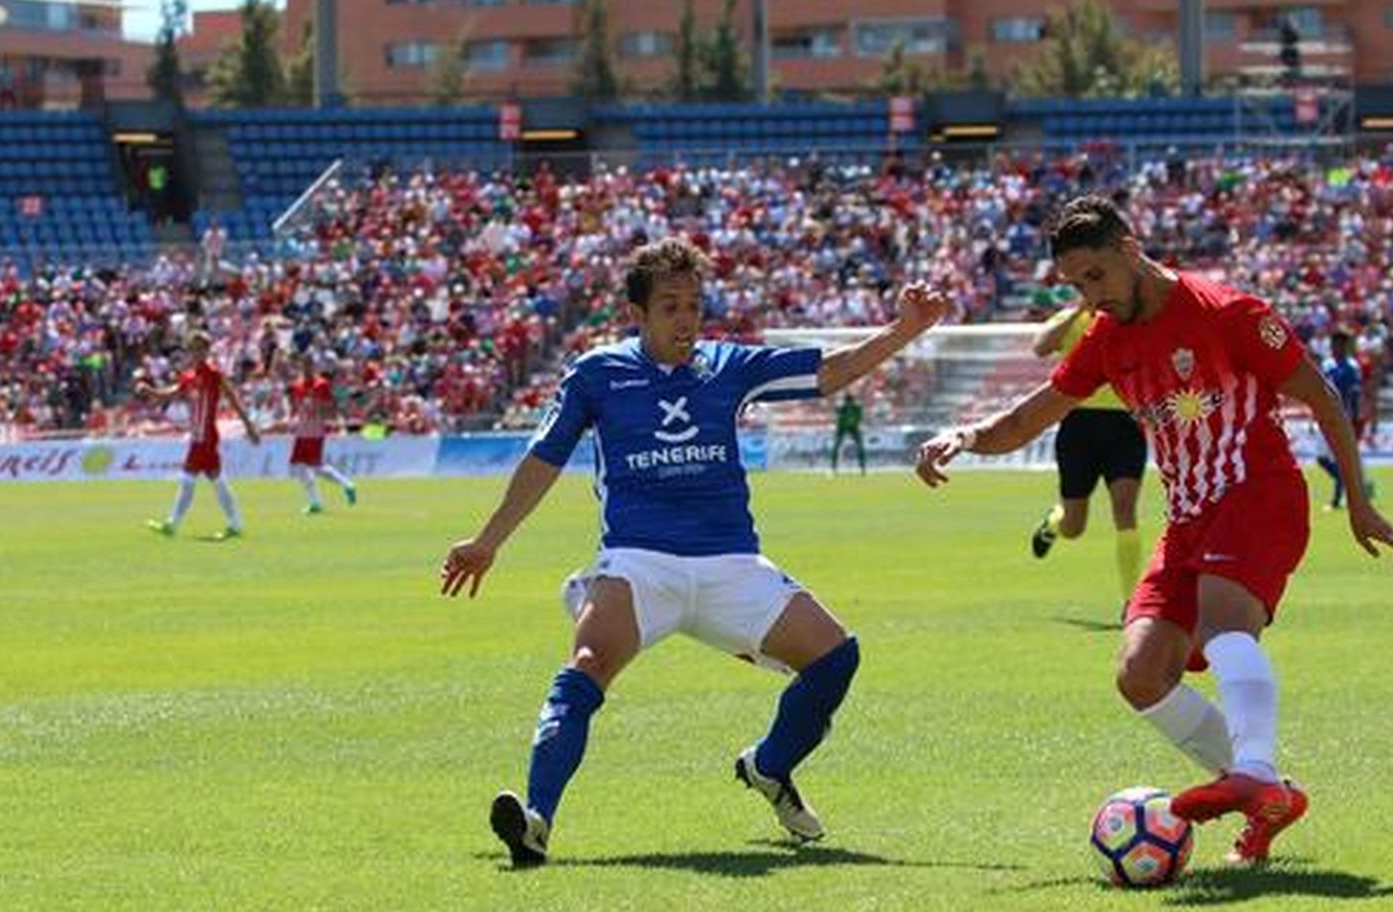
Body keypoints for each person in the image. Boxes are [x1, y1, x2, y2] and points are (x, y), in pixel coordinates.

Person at [914, 195, 1393, 864]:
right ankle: (1271, 795)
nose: (1089, 298)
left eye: (1095, 277)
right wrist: (965, 434)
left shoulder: (1227, 313)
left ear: (1129, 249)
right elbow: (1030, 419)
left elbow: (1321, 396)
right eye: (1075, 286)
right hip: (1187, 517)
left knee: (1223, 626)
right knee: (1140, 674)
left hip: (1257, 492)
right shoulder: (1104, 339)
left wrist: (1358, 500)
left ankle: (1253, 772)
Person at [440, 237, 948, 867]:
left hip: (730, 565)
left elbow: (831, 371)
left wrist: (905, 329)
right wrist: (487, 542)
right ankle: (537, 822)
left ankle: (768, 767)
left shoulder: (728, 366)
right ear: (639, 314)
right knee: (588, 662)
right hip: (638, 561)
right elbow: (544, 459)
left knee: (836, 656)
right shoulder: (597, 374)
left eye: (694, 305)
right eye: (671, 306)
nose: (686, 318)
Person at [1027, 303, 1148, 610]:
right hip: (1079, 424)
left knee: (1125, 509)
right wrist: (1078, 309)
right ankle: (1055, 521)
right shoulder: (1072, 317)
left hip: (1125, 425)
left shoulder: (1132, 317)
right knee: (1074, 527)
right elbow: (1041, 347)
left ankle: (1131, 601)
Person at [136, 330, 261, 540]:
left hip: (207, 437)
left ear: (207, 351)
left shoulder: (213, 374)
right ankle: (235, 524)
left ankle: (173, 525)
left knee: (189, 480)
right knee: (216, 480)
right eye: (193, 348)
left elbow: (233, 399)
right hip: (197, 437)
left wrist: (249, 426)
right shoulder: (188, 377)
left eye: (201, 348)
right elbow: (171, 394)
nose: (196, 353)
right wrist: (150, 391)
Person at [285, 351, 358, 514]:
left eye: (310, 364)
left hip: (314, 431)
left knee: (304, 466)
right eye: (304, 364)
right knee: (308, 467)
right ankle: (345, 486)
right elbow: (296, 406)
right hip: (302, 430)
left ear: (314, 366)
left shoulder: (321, 385)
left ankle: (318, 501)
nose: (307, 368)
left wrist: (317, 407)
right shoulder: (298, 385)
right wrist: (292, 418)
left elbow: (330, 408)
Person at [1317, 329, 1373, 511]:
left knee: (1341, 459)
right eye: (1333, 343)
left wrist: (1356, 419)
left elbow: (1356, 394)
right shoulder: (1327, 365)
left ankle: (1337, 499)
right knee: (1322, 459)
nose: (1334, 347)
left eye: (1338, 344)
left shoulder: (1352, 367)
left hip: (1343, 418)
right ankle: (1355, 486)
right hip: (1325, 417)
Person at [831, 391, 866, 474]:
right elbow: (859, 418)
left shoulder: (855, 407)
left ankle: (834, 467)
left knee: (837, 446)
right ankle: (862, 467)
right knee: (859, 446)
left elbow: (859, 418)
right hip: (845, 428)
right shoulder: (848, 407)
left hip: (850, 428)